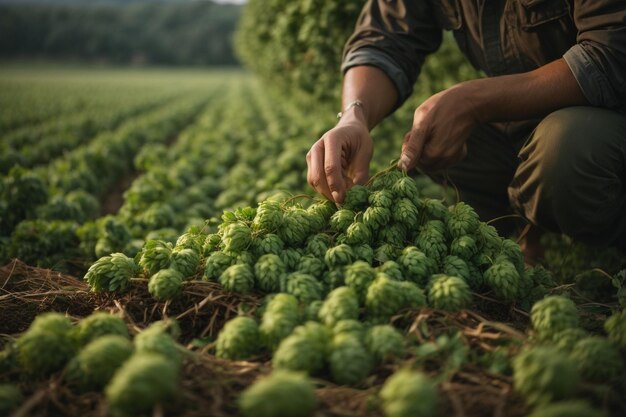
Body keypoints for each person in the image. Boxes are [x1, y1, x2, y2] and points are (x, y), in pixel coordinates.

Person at [306, 0, 626, 261]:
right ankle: (526, 226)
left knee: (569, 151)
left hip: (607, 114)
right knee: (432, 137)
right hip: (526, 115)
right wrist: (353, 116)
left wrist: (475, 101)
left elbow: (610, 55)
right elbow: (383, 39)